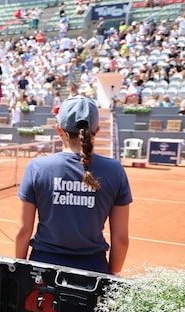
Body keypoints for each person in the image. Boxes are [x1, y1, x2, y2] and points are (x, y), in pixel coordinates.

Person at [15, 96, 131, 274]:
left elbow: (23, 231)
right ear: (96, 130)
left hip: (42, 269)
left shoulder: (37, 167)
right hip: (94, 269)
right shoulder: (115, 170)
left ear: (59, 130)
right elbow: (121, 238)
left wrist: (19, 269)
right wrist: (111, 272)